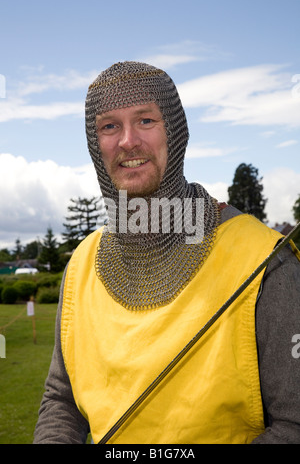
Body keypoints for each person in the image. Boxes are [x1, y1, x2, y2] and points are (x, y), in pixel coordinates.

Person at [34, 61, 300, 444]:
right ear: (96, 145)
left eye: (145, 120)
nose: (128, 141)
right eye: (110, 126)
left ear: (176, 132)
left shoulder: (265, 262)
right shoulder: (82, 266)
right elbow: (61, 401)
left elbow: (294, 425)